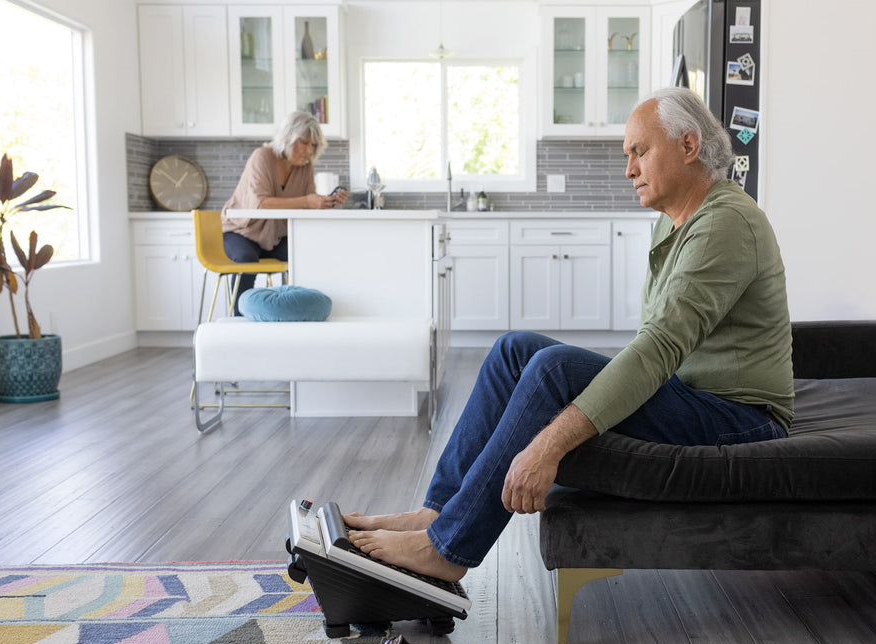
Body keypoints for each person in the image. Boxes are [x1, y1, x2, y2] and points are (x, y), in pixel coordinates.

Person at [345, 87, 794, 583]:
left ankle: (448, 550)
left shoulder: (724, 224)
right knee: (514, 351)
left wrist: (545, 448)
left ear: (688, 146)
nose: (629, 170)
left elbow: (658, 350)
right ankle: (439, 513)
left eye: (639, 152)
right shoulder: (678, 221)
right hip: (691, 398)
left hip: (740, 419)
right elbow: (658, 348)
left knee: (552, 368)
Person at [220, 110, 349, 311]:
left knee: (304, 253)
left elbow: (307, 208)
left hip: (274, 236)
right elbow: (260, 205)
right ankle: (240, 316)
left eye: (313, 145)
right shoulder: (262, 156)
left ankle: (291, 311)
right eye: (304, 143)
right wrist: (308, 201)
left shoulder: (305, 167)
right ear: (288, 138)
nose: (309, 150)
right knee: (247, 258)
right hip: (241, 231)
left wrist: (327, 202)